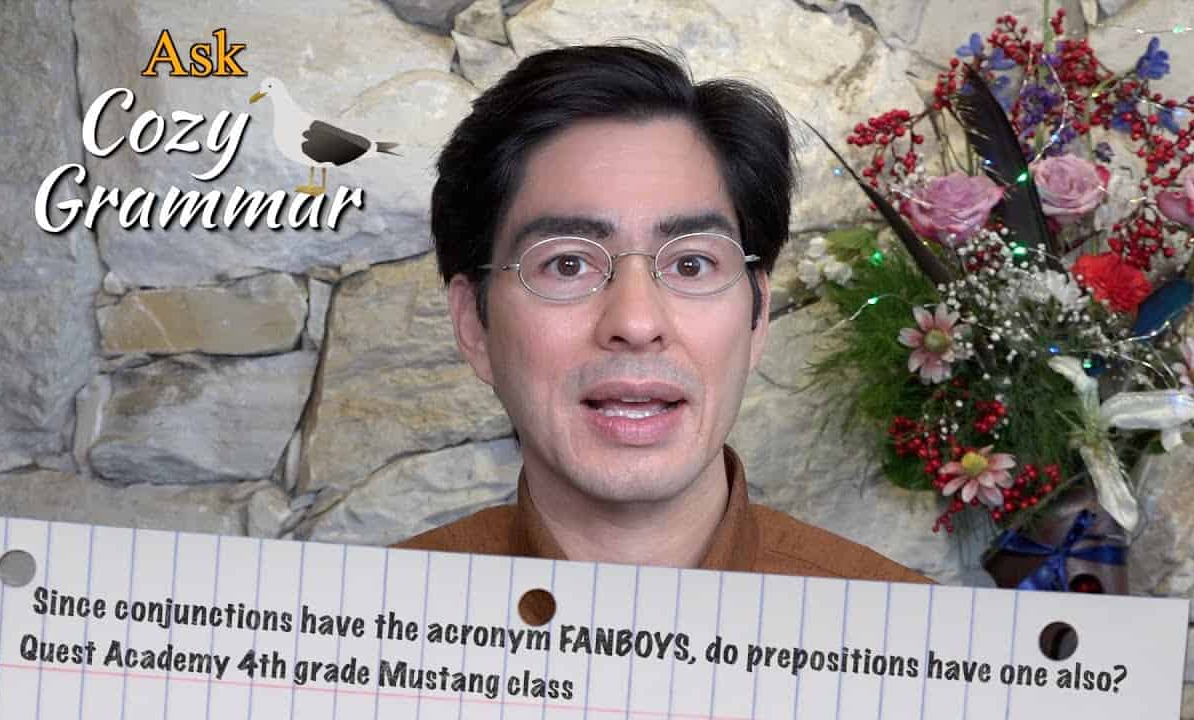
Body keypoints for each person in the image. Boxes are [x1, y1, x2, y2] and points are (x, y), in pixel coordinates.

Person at [394, 43, 929, 585]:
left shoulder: (903, 627)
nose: (635, 323)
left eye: (691, 265)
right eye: (568, 264)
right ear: (474, 324)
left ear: (758, 314)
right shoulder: (362, 626)